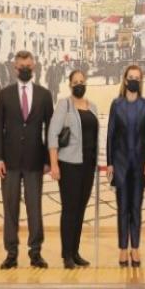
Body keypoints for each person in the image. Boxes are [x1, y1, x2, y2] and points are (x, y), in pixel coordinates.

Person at [0, 51, 53, 269]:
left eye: (28, 66)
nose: (25, 69)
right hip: (9, 162)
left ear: (33, 66)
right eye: (21, 66)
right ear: (15, 68)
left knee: (34, 208)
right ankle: (11, 253)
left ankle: (35, 252)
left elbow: (51, 129)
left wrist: (48, 159)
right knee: (10, 208)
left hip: (35, 162)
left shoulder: (44, 95)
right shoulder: (5, 94)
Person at [49, 70, 99, 269]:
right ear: (70, 85)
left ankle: (75, 252)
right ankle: (67, 254)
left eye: (82, 81)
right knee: (69, 209)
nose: (79, 84)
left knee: (80, 209)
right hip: (69, 164)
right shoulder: (64, 105)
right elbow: (53, 134)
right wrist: (54, 164)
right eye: (75, 82)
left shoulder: (93, 107)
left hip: (88, 165)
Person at [107, 65, 145, 267]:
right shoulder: (116, 104)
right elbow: (110, 135)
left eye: (137, 77)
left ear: (140, 81)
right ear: (125, 80)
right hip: (120, 165)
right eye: (131, 77)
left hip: (140, 165)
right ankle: (122, 249)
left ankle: (135, 247)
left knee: (136, 207)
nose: (133, 80)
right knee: (122, 208)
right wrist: (110, 163)